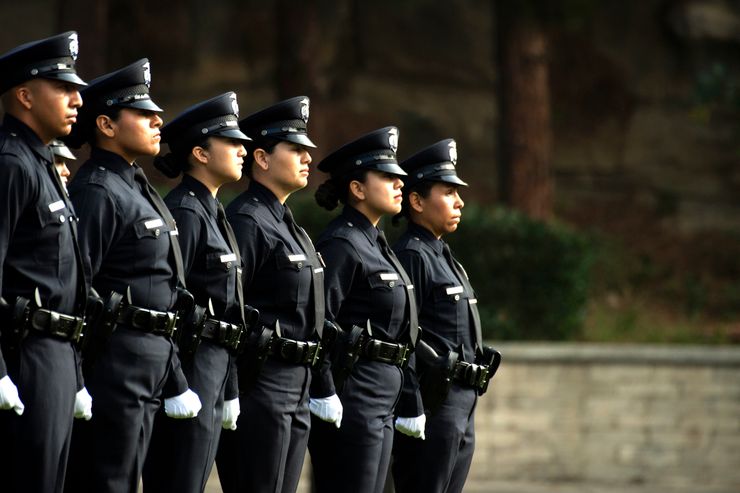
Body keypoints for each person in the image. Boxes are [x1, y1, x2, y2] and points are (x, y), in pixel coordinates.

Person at [64, 59, 201, 493]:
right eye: (142, 113)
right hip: (114, 362)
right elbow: (75, 286)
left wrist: (175, 376)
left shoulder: (135, 185)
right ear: (105, 124)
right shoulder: (98, 189)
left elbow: (166, 288)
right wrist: (77, 379)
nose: (158, 120)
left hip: (151, 363)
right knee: (107, 480)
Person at [215, 96, 327, 493]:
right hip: (261, 385)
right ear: (261, 158)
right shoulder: (246, 220)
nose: (306, 158)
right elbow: (230, 310)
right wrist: (231, 389)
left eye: (307, 150)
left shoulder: (289, 224)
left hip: (297, 384)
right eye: (295, 149)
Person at [142, 92, 251, 493]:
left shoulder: (213, 210)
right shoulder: (186, 211)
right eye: (232, 142)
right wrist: (176, 384)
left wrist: (232, 387)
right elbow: (173, 301)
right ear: (201, 154)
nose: (244, 150)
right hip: (191, 365)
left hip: (216, 366)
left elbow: (232, 310)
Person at [307, 126, 426, 493]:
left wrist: (409, 397)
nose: (399, 184)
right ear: (357, 189)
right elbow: (319, 321)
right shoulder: (342, 242)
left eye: (399, 178)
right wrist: (324, 389)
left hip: (381, 395)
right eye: (387, 177)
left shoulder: (376, 242)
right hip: (354, 394)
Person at [0, 31, 91, 493]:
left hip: (55, 354)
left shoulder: (40, 163)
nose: (77, 99)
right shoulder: (11, 162)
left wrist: (73, 373)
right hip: (24, 353)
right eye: (63, 88)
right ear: (24, 95)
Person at [391, 139, 501, 493]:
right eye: (449, 192)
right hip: (435, 401)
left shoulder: (443, 255)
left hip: (462, 403)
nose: (460, 202)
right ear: (417, 201)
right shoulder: (412, 255)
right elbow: (403, 336)